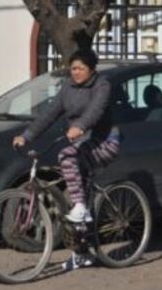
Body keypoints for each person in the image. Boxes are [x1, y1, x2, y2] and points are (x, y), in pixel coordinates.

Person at [11, 49, 121, 268]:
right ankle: (82, 253)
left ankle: (81, 207)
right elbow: (49, 114)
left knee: (66, 156)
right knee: (74, 200)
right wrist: (26, 136)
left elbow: (95, 111)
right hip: (81, 144)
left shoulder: (102, 85)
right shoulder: (67, 88)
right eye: (73, 68)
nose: (76, 72)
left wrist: (80, 126)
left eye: (80, 68)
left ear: (91, 69)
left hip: (105, 141)